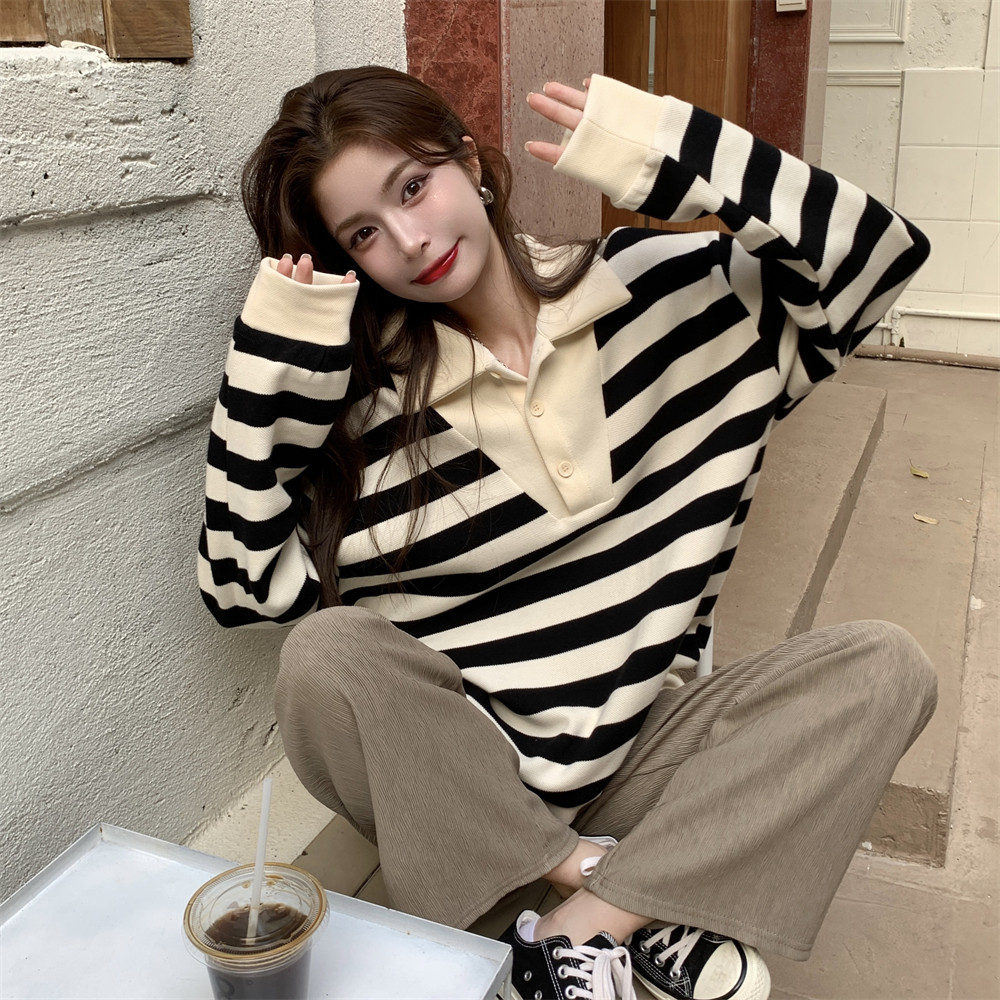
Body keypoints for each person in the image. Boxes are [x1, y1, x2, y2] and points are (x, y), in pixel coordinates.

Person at [199, 65, 937, 1000]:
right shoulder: (364, 414)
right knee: (325, 654)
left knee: (884, 668)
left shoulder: (671, 298)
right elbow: (242, 587)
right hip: (475, 794)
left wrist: (671, 149)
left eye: (414, 186)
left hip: (650, 754)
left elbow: (878, 261)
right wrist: (271, 369)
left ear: (472, 162)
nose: (411, 240)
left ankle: (573, 933)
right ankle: (621, 895)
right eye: (365, 233)